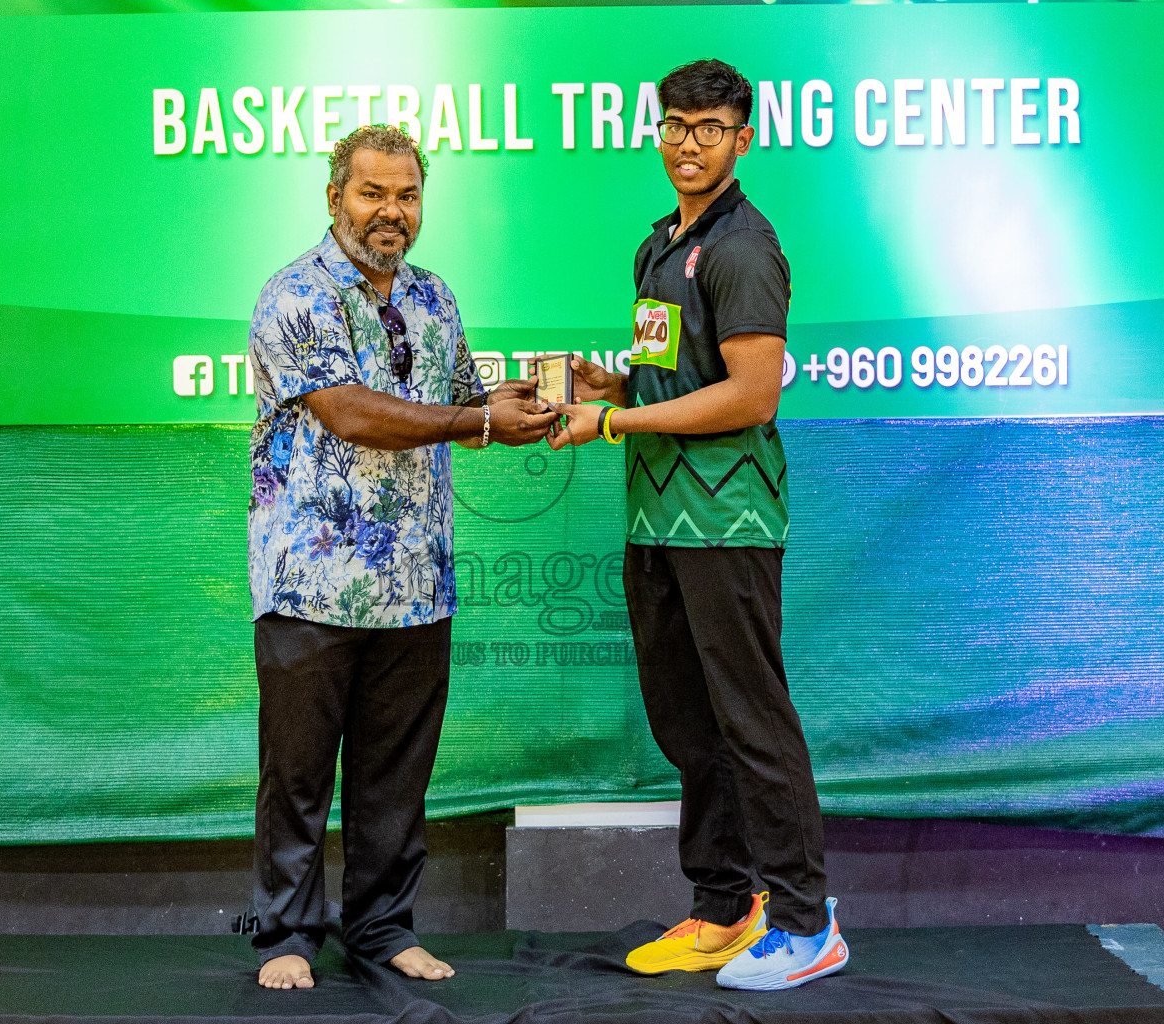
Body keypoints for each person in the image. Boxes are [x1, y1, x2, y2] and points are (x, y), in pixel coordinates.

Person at [548, 60, 848, 991]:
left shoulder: (744, 247)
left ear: (742, 137)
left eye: (709, 127)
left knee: (753, 720)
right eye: (674, 125)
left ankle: (807, 924)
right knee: (689, 724)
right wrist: (619, 387)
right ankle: (725, 909)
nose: (688, 142)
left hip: (729, 522)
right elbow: (678, 373)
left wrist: (617, 421)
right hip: (658, 520)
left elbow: (753, 394)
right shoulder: (657, 246)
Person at [246, 124, 556, 990]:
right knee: (298, 779)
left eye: (407, 195)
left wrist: (520, 403)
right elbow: (351, 413)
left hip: (418, 586)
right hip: (311, 583)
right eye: (372, 193)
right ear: (335, 196)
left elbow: (459, 403)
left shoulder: (434, 296)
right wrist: (475, 419)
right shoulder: (295, 292)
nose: (392, 212)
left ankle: (382, 930)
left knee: (395, 780)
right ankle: (286, 938)